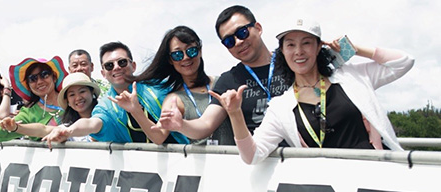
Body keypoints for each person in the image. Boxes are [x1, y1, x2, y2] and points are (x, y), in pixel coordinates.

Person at [217, 18, 414, 165]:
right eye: (290, 45)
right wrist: (235, 114)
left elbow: (403, 63)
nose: (299, 51)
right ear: (282, 52)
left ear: (320, 46)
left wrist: (355, 49)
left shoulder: (351, 77)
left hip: (374, 176)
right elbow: (252, 156)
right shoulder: (281, 106)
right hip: (331, 189)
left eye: (306, 43)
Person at [43, 42, 188, 145]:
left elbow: (160, 137)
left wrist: (136, 110)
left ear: (133, 65)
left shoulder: (159, 88)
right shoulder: (106, 105)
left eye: (122, 62)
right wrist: (68, 131)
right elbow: (91, 123)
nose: (117, 68)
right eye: (109, 65)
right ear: (103, 73)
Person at [131, 25, 231, 145]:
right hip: (200, 162)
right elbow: (159, 137)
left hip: (234, 160)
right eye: (177, 54)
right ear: (170, 60)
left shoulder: (222, 84)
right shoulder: (174, 99)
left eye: (191, 51)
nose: (186, 58)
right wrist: (136, 110)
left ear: (200, 51)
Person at [214, 5, 289, 134]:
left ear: (258, 28)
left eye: (242, 32)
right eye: (229, 41)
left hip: (301, 149)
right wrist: (180, 124)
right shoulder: (228, 80)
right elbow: (205, 124)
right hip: (257, 150)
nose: (238, 42)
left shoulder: (291, 60)